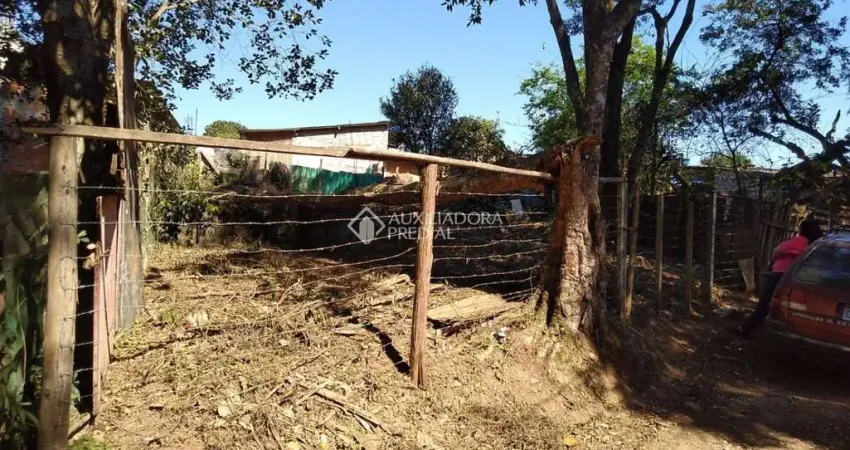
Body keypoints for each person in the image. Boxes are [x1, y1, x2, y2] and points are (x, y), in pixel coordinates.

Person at [736, 218, 823, 336]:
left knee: (764, 305)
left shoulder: (799, 240)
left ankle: (745, 329)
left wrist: (775, 260)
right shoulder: (815, 246)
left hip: (779, 275)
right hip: (797, 280)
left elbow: (777, 251)